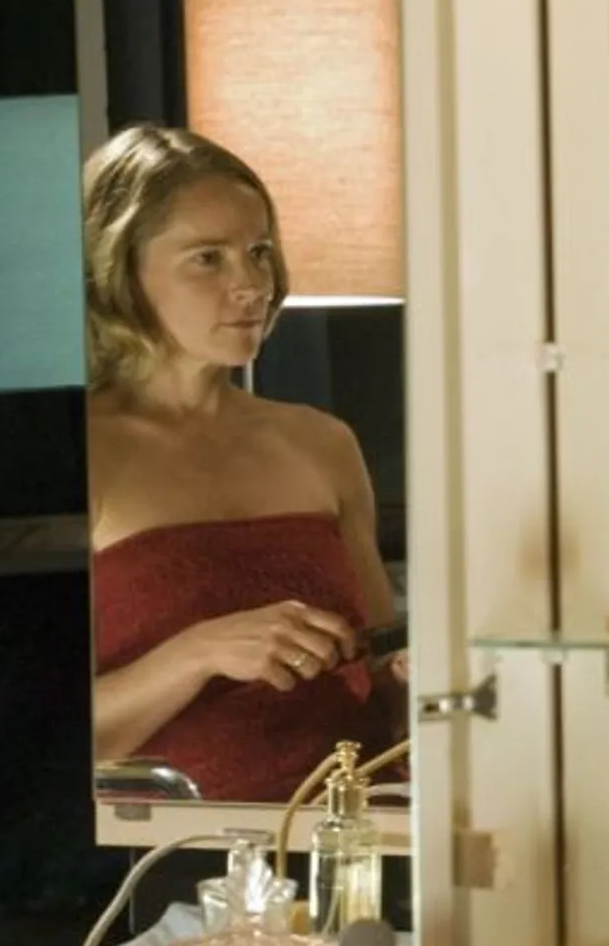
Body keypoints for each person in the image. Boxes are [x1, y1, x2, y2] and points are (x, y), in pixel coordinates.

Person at [87, 125, 407, 804]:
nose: (251, 285)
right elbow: (21, 744)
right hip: (171, 851)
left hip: (357, 833)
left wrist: (427, 684)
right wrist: (199, 653)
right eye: (208, 258)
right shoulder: (82, 455)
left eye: (259, 252)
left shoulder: (322, 442)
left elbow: (383, 677)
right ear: (120, 274)